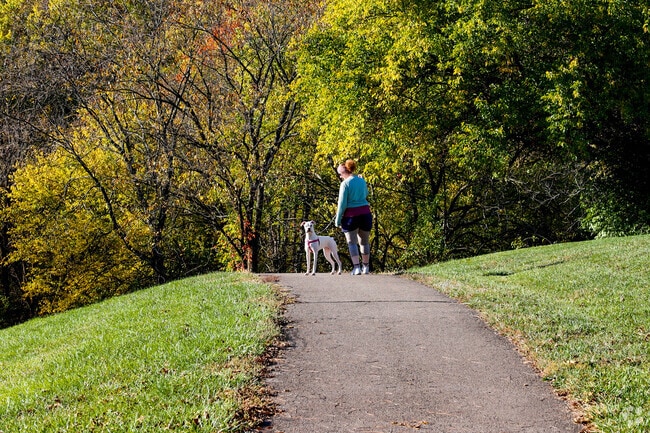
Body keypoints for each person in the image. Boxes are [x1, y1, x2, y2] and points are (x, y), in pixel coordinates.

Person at [335, 159, 372, 275]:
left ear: (345, 172)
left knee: (352, 242)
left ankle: (356, 267)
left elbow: (342, 204)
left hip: (351, 216)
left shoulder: (345, 184)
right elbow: (366, 194)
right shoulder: (361, 180)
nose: (340, 177)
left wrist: (338, 219)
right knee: (364, 242)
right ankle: (366, 267)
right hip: (365, 214)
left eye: (340, 174)